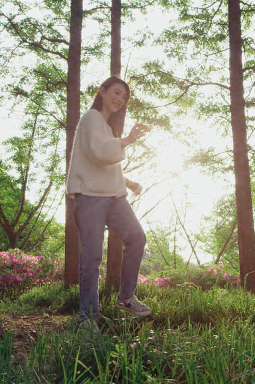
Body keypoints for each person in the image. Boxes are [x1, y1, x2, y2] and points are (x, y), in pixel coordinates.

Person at [66, 76, 152, 330]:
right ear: (101, 91)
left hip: (114, 197)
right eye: (116, 92)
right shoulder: (91, 118)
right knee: (92, 257)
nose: (119, 99)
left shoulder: (106, 127)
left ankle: (126, 297)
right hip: (90, 198)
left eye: (124, 97)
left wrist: (129, 183)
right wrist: (127, 141)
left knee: (136, 237)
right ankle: (87, 316)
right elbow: (99, 154)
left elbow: (101, 166)